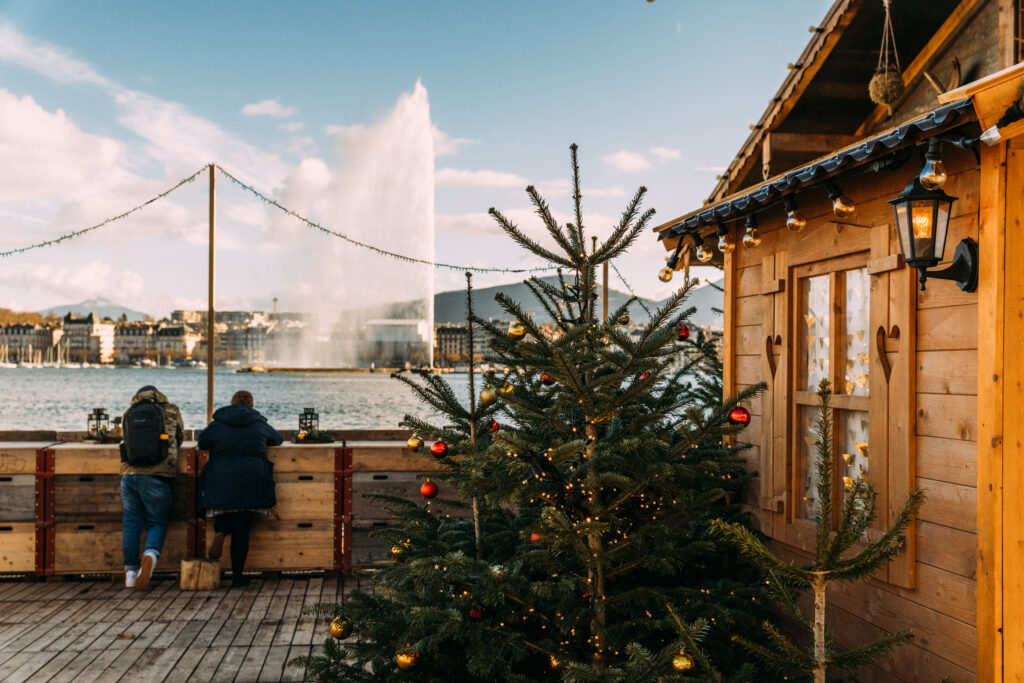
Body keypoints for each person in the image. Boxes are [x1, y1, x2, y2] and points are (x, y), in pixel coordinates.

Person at [198, 390, 282, 587]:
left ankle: (220, 531)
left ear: (231, 403)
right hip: (251, 482)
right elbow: (277, 439)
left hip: (220, 481)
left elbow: (202, 442)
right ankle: (237, 577)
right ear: (251, 405)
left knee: (224, 510)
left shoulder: (218, 424)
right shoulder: (258, 423)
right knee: (242, 529)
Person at [120, 385, 184, 591]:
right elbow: (179, 439)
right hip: (157, 476)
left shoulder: (129, 413)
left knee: (131, 524)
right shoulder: (171, 411)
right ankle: (150, 555)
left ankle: (130, 574)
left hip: (129, 475)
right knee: (156, 523)